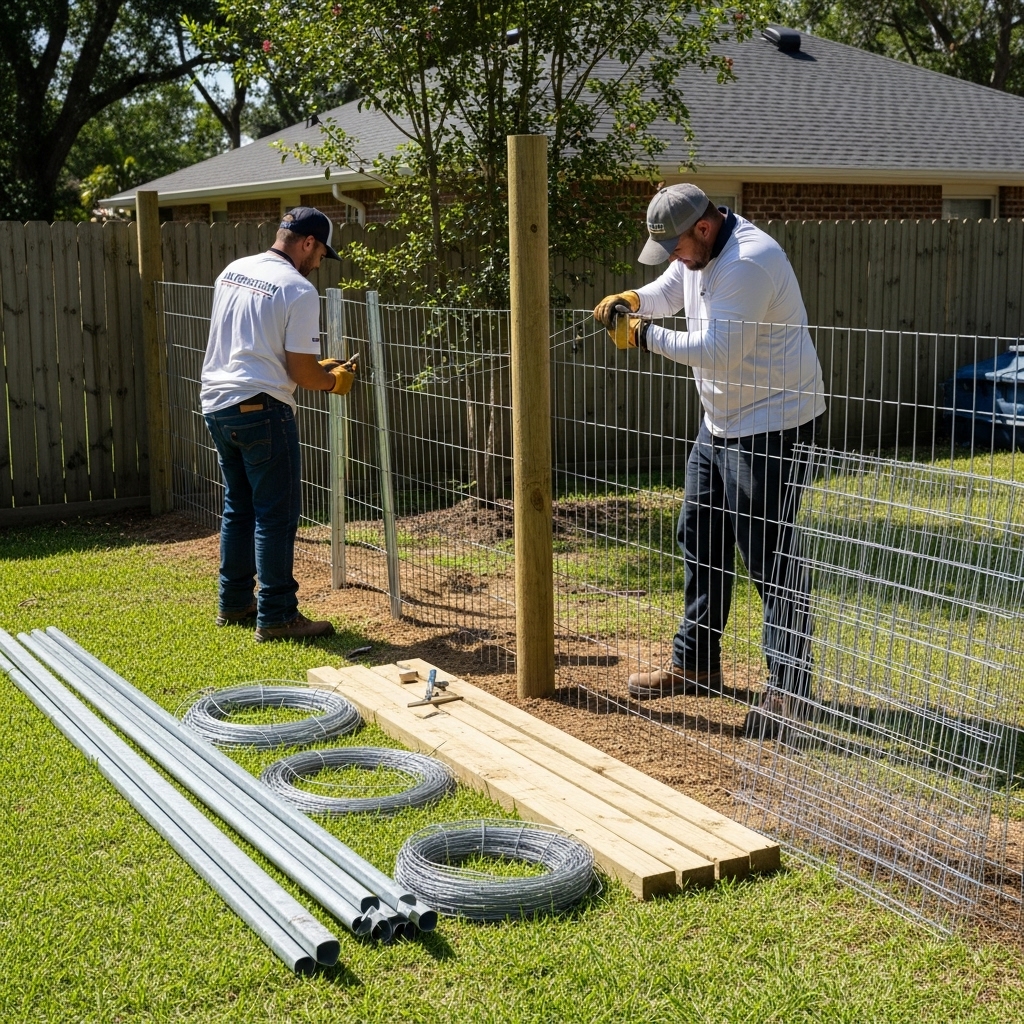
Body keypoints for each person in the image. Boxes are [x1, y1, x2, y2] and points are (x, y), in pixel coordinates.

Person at [593, 184, 826, 736]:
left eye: (675, 246)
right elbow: (670, 288)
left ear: (703, 228)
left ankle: (792, 692)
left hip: (774, 424)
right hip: (721, 421)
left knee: (770, 556)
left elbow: (719, 352)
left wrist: (645, 337)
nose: (673, 257)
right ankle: (695, 663)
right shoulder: (697, 253)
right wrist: (635, 300)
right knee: (699, 534)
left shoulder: (748, 262)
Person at [200, 207, 356, 642]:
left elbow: (256, 345)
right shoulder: (298, 289)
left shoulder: (235, 270)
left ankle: (234, 602)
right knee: (276, 516)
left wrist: (315, 368)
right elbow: (303, 374)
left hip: (217, 403)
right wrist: (334, 381)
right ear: (308, 242)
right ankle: (278, 616)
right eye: (321, 253)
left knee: (239, 507)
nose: (320, 262)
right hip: (263, 410)